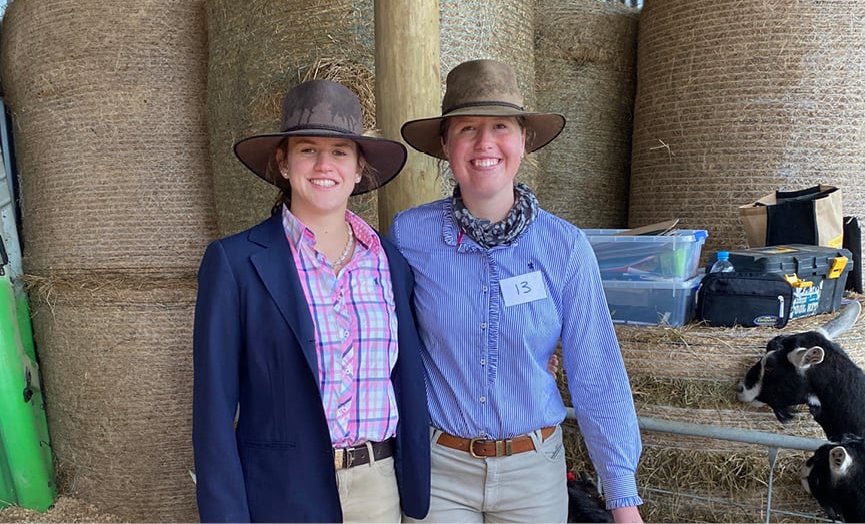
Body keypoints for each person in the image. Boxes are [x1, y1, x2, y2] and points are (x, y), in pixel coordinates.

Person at [390, 59, 644, 523]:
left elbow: (596, 372)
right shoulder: (410, 236)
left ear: (524, 141)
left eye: (501, 127)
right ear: (445, 145)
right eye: (467, 128)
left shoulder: (565, 247)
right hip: (440, 471)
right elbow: (387, 341)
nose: (484, 143)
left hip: (533, 476)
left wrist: (623, 499)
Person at [192, 79, 431, 523]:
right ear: (283, 163)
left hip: (378, 488)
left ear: (358, 169)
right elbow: (213, 411)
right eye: (307, 150)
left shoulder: (390, 263)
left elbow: (407, 379)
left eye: (340, 151)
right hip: (280, 493)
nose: (324, 164)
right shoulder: (235, 263)